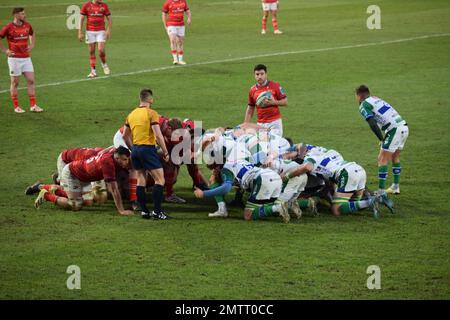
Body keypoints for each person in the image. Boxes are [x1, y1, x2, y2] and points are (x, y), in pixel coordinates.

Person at [34, 147, 133, 216]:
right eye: (122, 159)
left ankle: (47, 187)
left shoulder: (113, 153)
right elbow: (114, 189)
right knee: (76, 205)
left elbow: (114, 146)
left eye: (126, 159)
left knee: (94, 199)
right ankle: (46, 195)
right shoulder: (108, 163)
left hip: (85, 176)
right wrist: (121, 210)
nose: (125, 162)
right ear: (116, 157)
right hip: (72, 174)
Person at [122, 88, 171, 220]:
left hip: (136, 150)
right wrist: (165, 151)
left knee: (141, 179)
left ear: (140, 99)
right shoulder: (152, 113)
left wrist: (133, 148)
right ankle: (157, 211)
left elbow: (125, 136)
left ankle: (144, 211)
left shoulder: (131, 114)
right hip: (147, 149)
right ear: (150, 99)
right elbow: (158, 135)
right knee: (160, 180)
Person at [356, 85, 409, 194]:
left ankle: (380, 191)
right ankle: (395, 186)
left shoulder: (364, 105)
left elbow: (372, 123)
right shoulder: (376, 98)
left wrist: (381, 139)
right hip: (403, 126)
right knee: (395, 156)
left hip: (394, 130)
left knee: (382, 159)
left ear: (359, 96)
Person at [0, 7, 43, 113]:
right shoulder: (8, 27)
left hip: (26, 58)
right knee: (15, 82)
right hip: (14, 59)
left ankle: (33, 106)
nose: (25, 15)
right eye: (22, 14)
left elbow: (32, 34)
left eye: (24, 13)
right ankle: (16, 107)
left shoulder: (27, 25)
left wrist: (32, 44)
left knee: (31, 80)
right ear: (16, 15)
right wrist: (5, 50)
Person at [244, 64, 288, 136]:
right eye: (257, 74)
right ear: (254, 75)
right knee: (263, 146)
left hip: (274, 123)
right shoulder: (252, 90)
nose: (259, 77)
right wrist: (246, 124)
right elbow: (250, 108)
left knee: (273, 146)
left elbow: (285, 101)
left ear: (266, 74)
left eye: (262, 74)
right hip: (260, 124)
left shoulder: (275, 86)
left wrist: (274, 102)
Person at [79, 0, 112, 78]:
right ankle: (93, 72)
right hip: (90, 32)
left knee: (101, 50)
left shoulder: (104, 6)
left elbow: (109, 19)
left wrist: (108, 30)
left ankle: (104, 64)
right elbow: (81, 19)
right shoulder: (86, 5)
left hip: (101, 31)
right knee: (91, 51)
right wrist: (80, 32)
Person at [162, 0, 191, 65]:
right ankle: (175, 59)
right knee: (172, 40)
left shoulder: (183, 1)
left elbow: (188, 11)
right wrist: (165, 26)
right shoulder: (168, 2)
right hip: (171, 24)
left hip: (181, 25)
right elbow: (164, 15)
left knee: (180, 42)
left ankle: (180, 60)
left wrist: (189, 18)